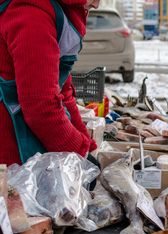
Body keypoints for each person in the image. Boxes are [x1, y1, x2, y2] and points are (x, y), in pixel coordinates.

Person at [0, 0, 99, 167]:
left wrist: (86, 145)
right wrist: (77, 154)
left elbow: (63, 90)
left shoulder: (57, 9)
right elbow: (40, 105)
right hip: (10, 148)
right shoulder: (31, 12)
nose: (96, 4)